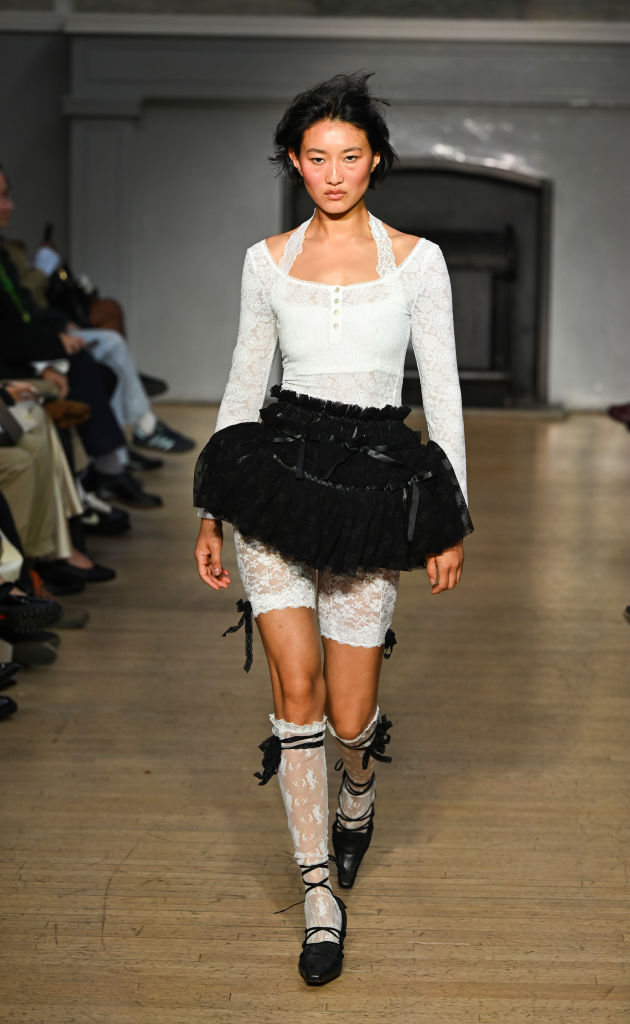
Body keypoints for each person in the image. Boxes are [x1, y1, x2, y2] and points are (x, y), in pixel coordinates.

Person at [193, 73, 473, 986]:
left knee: (353, 715)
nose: (333, 172)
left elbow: (442, 392)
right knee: (297, 688)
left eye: (349, 156)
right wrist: (209, 507)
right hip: (273, 482)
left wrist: (448, 516)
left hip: (371, 490)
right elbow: (243, 385)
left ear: (375, 162)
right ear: (294, 163)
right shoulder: (265, 260)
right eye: (316, 157)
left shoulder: (417, 261)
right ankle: (317, 891)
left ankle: (359, 789)